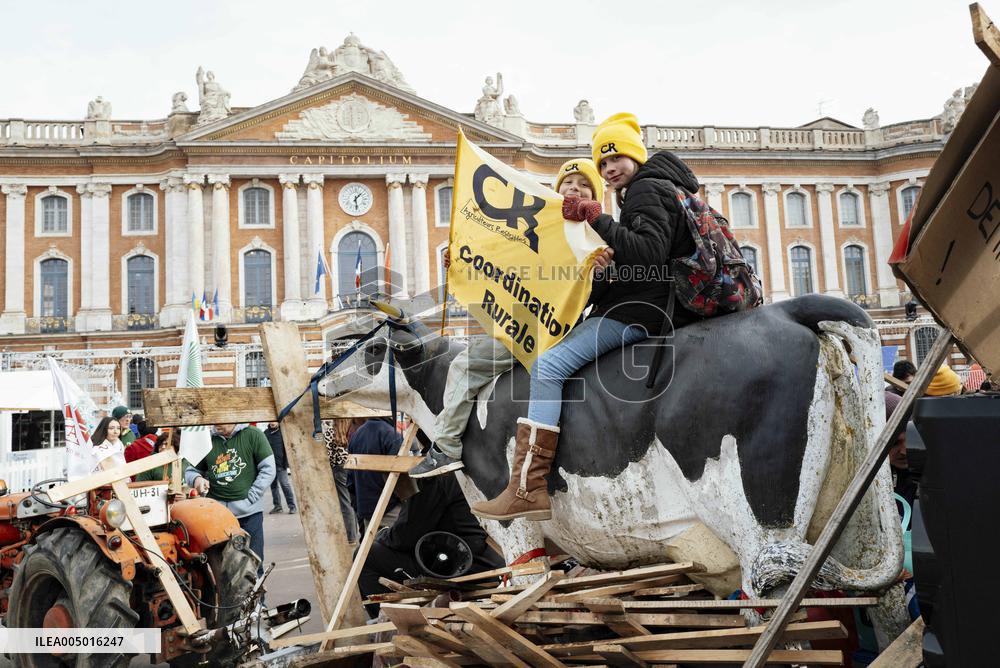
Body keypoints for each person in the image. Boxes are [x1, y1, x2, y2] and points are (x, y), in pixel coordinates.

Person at [472, 112, 704, 522]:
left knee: (548, 366)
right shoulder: (650, 187)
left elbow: (648, 255)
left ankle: (527, 487)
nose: (610, 168)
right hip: (643, 303)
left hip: (638, 312)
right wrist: (607, 268)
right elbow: (643, 261)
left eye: (616, 159)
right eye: (603, 162)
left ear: (635, 156)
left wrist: (597, 218)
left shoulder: (645, 189)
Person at [410, 158, 611, 478]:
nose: (574, 187)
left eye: (584, 184)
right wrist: (461, 260)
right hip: (528, 321)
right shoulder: (544, 228)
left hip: (544, 328)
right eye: (568, 182)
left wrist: (603, 266)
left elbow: (599, 285)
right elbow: (502, 265)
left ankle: (446, 445)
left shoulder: (596, 234)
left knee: (465, 366)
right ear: (556, 189)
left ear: (595, 196)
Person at [359, 471, 504, 617]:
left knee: (365, 556)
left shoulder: (437, 477)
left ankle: (389, 622)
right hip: (482, 559)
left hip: (463, 567)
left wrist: (382, 534)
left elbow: (404, 537)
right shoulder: (460, 472)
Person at [184, 423, 275, 575]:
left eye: (220, 419)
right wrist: (197, 480)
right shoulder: (206, 440)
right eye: (213, 419)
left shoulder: (253, 435)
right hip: (218, 517)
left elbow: (268, 468)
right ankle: (228, 599)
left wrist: (252, 496)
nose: (216, 423)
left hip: (249, 514)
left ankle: (258, 600)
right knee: (223, 567)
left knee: (254, 562)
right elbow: (190, 471)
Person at [348, 418, 404, 531]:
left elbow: (350, 482)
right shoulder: (392, 436)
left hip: (366, 508)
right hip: (389, 509)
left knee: (370, 546)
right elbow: (401, 481)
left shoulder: (356, 435)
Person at [323, 418, 359, 543]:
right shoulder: (353, 429)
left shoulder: (331, 432)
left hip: (339, 468)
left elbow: (330, 455)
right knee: (353, 500)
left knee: (345, 503)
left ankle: (351, 536)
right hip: (353, 465)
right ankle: (356, 532)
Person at [264, 422, 297, 514]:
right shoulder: (266, 433)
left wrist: (286, 463)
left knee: (285, 485)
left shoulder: (283, 433)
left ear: (278, 422)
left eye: (274, 421)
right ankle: (277, 507)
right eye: (270, 421)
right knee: (273, 487)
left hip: (280, 465)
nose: (272, 423)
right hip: (269, 465)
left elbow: (288, 449)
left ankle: (292, 506)